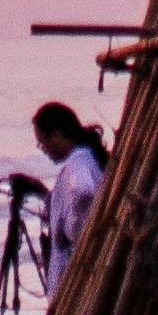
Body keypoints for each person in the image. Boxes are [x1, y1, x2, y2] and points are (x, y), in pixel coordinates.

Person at [30, 96, 108, 292]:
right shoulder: (86, 157)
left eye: (43, 142)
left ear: (56, 134)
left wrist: (69, 230)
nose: (44, 149)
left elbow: (83, 192)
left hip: (75, 280)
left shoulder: (78, 164)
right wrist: (43, 194)